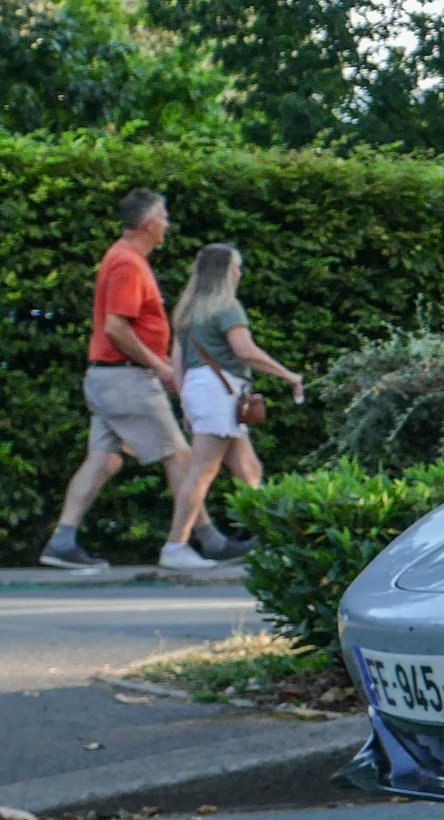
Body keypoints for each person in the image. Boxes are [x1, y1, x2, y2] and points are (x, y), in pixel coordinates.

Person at [39, 190, 239, 570]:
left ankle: (62, 542)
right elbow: (116, 327)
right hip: (126, 379)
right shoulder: (128, 263)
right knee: (180, 456)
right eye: (163, 217)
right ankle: (199, 543)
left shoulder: (124, 259)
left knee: (103, 461)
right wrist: (161, 367)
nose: (167, 225)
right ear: (148, 224)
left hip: (109, 378)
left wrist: (160, 362)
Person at [164, 244, 305, 567]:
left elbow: (178, 360)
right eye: (237, 267)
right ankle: (175, 547)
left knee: (248, 470)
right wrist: (287, 374)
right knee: (201, 473)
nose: (240, 273)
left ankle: (273, 540)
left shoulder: (189, 309)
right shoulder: (226, 307)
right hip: (220, 393)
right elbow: (245, 351)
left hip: (203, 391)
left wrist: (186, 404)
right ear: (227, 272)